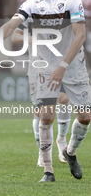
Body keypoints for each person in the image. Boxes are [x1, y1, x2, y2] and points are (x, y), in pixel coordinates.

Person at [0, 0, 90, 182]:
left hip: (73, 64)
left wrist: (63, 66)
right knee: (46, 115)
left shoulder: (72, 0)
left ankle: (70, 152)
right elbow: (10, 27)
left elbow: (80, 36)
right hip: (44, 65)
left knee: (85, 117)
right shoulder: (32, 3)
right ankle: (48, 170)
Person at [12, 23, 71, 166]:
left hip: (60, 63)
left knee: (64, 99)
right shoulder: (31, 11)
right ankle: (42, 151)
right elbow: (15, 36)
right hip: (38, 67)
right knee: (40, 112)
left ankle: (61, 140)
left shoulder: (65, 8)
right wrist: (30, 38)